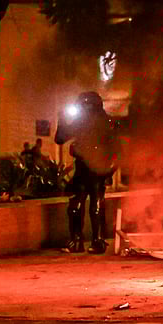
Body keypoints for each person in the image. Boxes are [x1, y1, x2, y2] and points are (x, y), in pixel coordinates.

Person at [54, 91, 117, 254]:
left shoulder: (105, 122)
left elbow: (117, 149)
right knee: (77, 205)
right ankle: (79, 241)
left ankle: (96, 241)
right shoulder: (84, 122)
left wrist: (108, 171)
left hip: (96, 169)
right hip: (84, 168)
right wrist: (62, 119)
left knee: (94, 206)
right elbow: (60, 138)